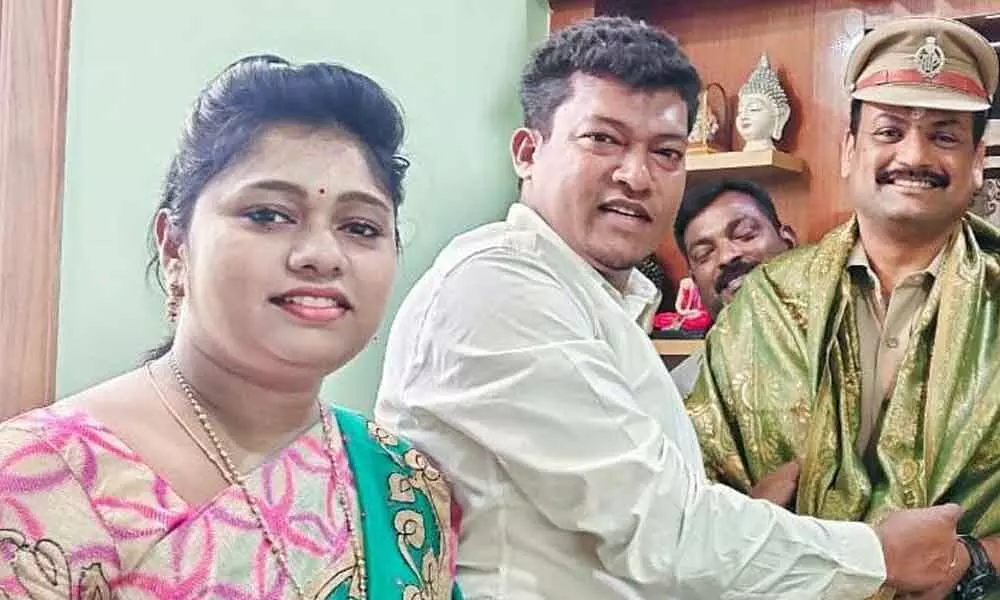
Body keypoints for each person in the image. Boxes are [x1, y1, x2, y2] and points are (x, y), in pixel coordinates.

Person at [375, 16, 967, 600]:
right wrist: (881, 555)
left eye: (665, 151)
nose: (636, 175)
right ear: (528, 151)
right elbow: (665, 532)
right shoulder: (497, 288)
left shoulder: (602, 302)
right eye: (602, 139)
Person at [0, 55, 461, 599]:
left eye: (360, 227)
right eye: (268, 215)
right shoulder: (35, 478)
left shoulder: (402, 484)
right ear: (174, 246)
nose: (321, 255)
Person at [685, 16, 1000, 599]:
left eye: (945, 135)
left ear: (977, 158)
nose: (914, 153)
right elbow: (692, 498)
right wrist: (751, 526)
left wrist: (971, 559)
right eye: (889, 131)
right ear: (850, 150)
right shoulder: (765, 306)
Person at [669, 178, 797, 397]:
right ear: (695, 282)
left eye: (745, 235)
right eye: (704, 254)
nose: (727, 256)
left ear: (788, 241)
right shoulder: (685, 392)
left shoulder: (849, 342)